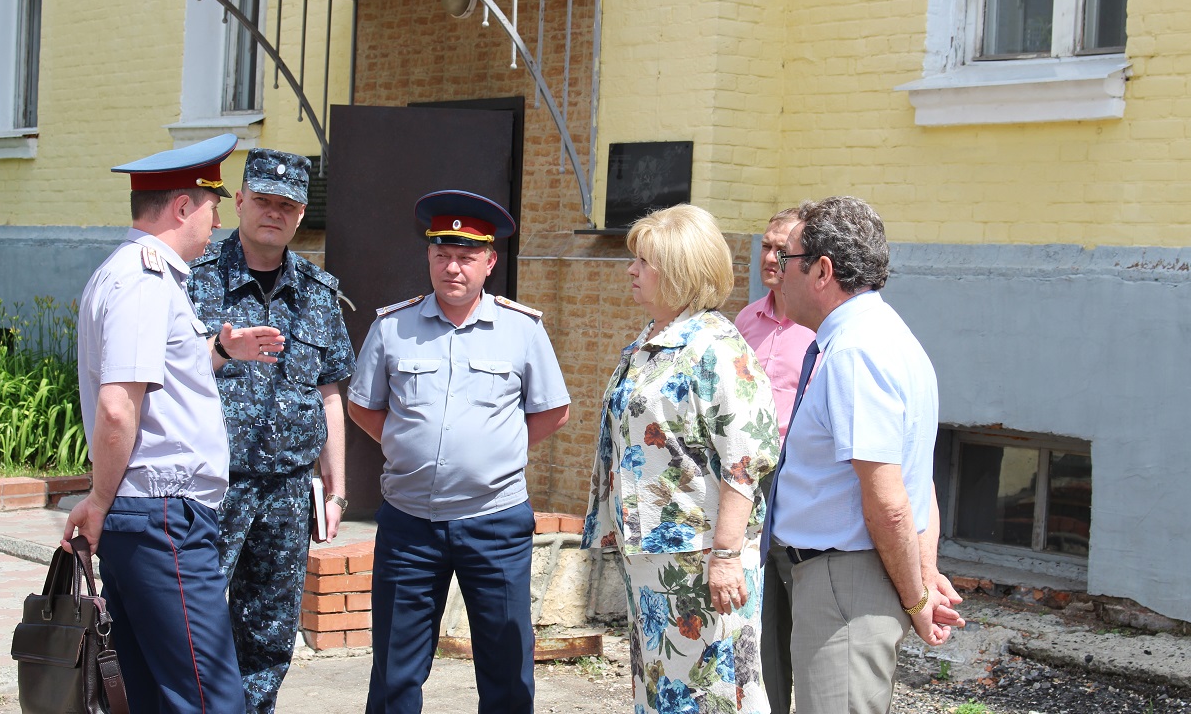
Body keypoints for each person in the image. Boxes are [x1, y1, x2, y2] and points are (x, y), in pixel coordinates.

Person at [65, 133, 285, 712]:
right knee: (210, 697)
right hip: (162, 515)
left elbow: (160, 374)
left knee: (154, 694)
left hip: (152, 514)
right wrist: (98, 499)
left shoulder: (142, 277)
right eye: (213, 206)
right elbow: (118, 407)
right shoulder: (143, 281)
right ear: (183, 206)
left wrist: (219, 351)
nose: (217, 222)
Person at [347, 189, 571, 714]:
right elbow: (363, 407)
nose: (452, 268)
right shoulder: (392, 327)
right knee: (395, 672)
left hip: (494, 522)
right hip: (409, 524)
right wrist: (408, 445)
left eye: (466, 257)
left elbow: (552, 411)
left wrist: (496, 453)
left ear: (489, 262)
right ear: (428, 256)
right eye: (442, 254)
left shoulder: (522, 329)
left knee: (507, 667)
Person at [766, 195, 964, 714]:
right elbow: (922, 482)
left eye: (786, 258)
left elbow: (891, 499)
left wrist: (919, 597)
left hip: (844, 582)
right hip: (846, 576)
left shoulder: (855, 351)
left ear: (822, 271)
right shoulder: (886, 336)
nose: (775, 272)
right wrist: (921, 573)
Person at [581, 203, 779, 714]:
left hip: (701, 559)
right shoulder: (652, 342)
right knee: (662, 691)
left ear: (679, 271)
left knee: (712, 693)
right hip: (652, 558)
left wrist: (727, 556)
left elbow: (745, 462)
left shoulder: (717, 349)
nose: (631, 270)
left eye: (643, 262)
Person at [188, 148, 356, 713]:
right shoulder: (195, 281)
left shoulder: (318, 291)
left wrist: (335, 490)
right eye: (262, 200)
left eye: (286, 205)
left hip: (286, 490)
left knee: (268, 630)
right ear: (238, 202)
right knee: (192, 622)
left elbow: (330, 391)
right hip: (209, 485)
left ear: (301, 214)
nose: (273, 213)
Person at [734, 207, 816, 714]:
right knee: (759, 623)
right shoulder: (745, 319)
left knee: (802, 625)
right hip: (751, 485)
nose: (769, 257)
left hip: (800, 489)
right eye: (765, 246)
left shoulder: (818, 327)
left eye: (781, 249)